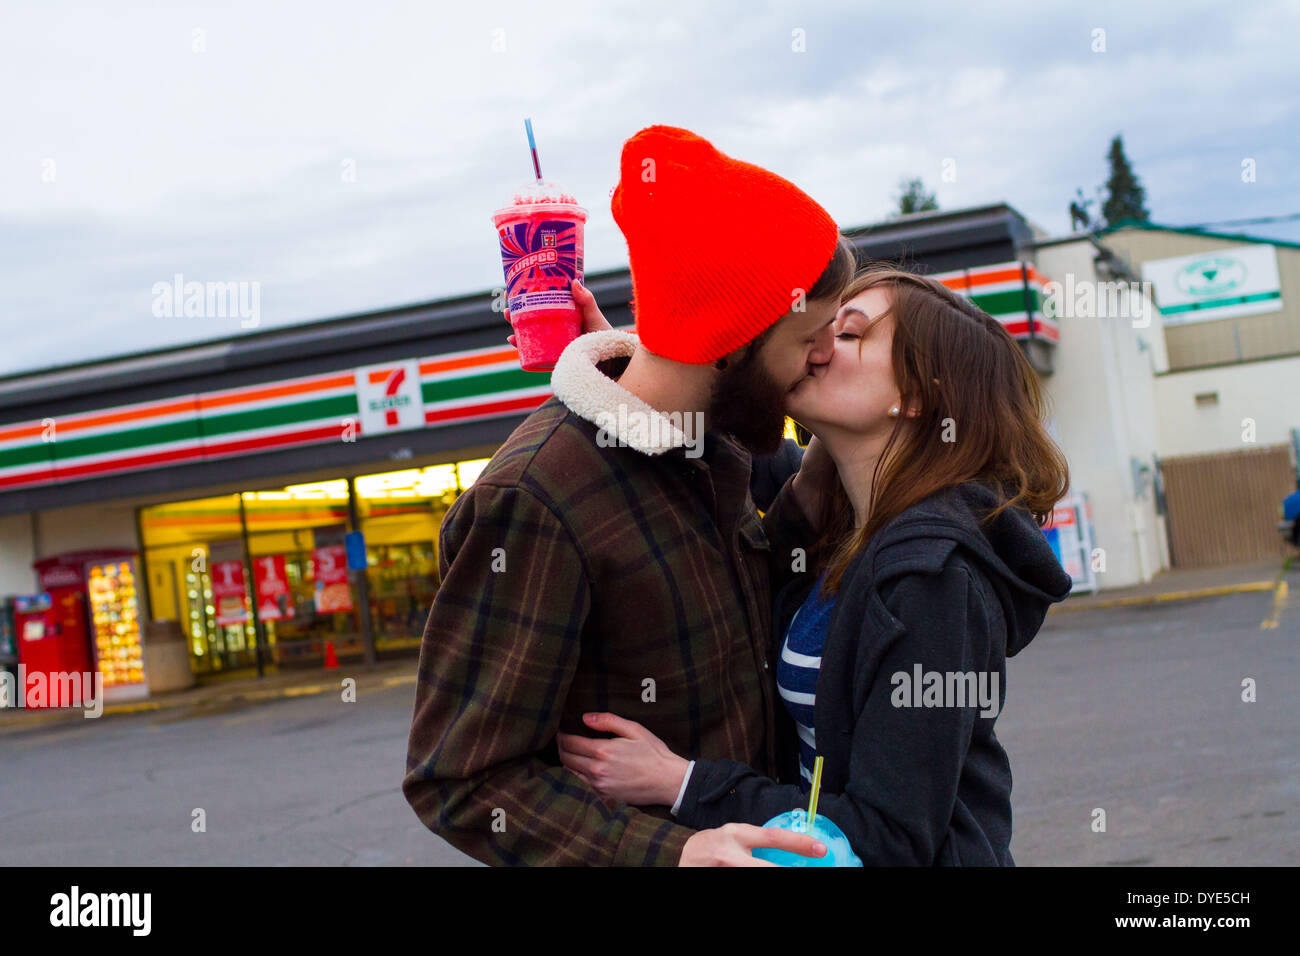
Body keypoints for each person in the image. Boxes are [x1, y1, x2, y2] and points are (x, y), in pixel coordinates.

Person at [402, 124, 856, 865]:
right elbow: (461, 779)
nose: (825, 355)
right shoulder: (536, 498)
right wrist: (671, 856)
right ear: (730, 341)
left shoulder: (713, 441)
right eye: (809, 335)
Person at [556, 265, 1074, 865]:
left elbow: (893, 834)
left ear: (916, 397)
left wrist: (683, 783)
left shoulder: (935, 580)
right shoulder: (840, 520)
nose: (818, 345)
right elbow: (705, 433)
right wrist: (635, 374)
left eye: (848, 334)